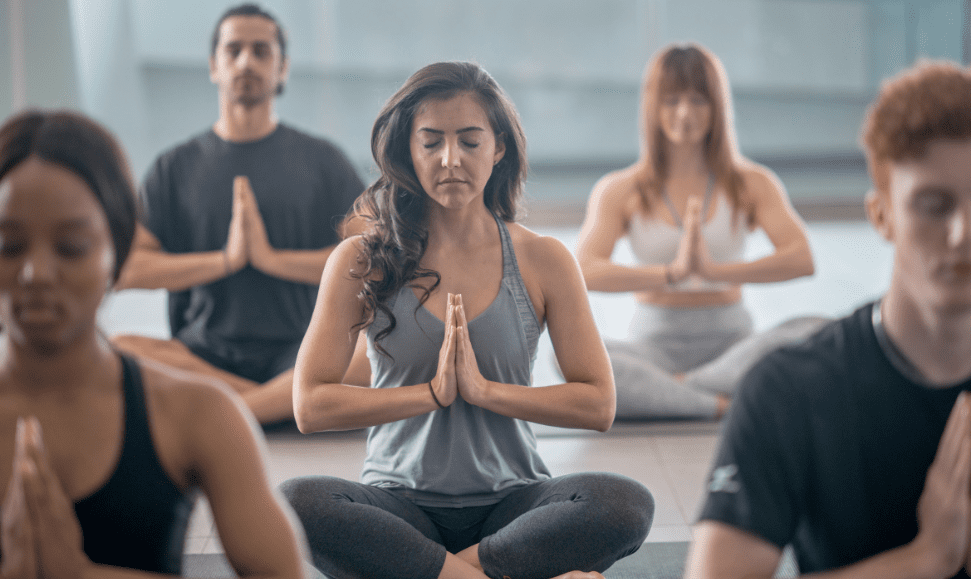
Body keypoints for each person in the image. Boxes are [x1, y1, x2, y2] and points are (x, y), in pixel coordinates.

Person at [279, 61, 655, 579]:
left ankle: (440, 574)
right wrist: (431, 394)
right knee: (295, 501)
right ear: (408, 151)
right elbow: (310, 404)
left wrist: (484, 391)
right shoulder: (359, 259)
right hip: (399, 508)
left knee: (623, 503)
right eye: (431, 142)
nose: (450, 159)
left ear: (498, 147)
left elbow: (597, 402)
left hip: (513, 507)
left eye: (469, 141)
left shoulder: (543, 259)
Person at [684, 60, 971, 579]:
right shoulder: (788, 392)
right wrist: (924, 560)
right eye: (934, 205)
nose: (962, 234)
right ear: (881, 216)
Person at [0, 110, 306, 577]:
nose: (35, 274)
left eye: (71, 247)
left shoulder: (200, 414)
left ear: (116, 255)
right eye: (9, 246)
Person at [112, 3, 364, 425]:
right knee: (120, 350)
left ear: (282, 68)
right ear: (214, 66)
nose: (246, 61)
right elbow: (127, 269)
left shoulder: (323, 161)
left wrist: (272, 260)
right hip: (203, 354)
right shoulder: (174, 166)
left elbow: (372, 257)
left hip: (300, 351)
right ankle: (284, 404)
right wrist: (225, 260)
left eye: (261, 51)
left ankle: (235, 412)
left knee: (367, 357)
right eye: (234, 51)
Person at [575, 43, 825, 419]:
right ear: (653, 107)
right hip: (653, 346)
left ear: (718, 107)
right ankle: (722, 402)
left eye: (698, 100)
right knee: (571, 355)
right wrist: (671, 274)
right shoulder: (620, 188)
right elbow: (584, 271)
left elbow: (801, 258)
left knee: (816, 331)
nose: (685, 113)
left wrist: (714, 272)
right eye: (672, 100)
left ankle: (669, 394)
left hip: (732, 345)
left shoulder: (752, 182)